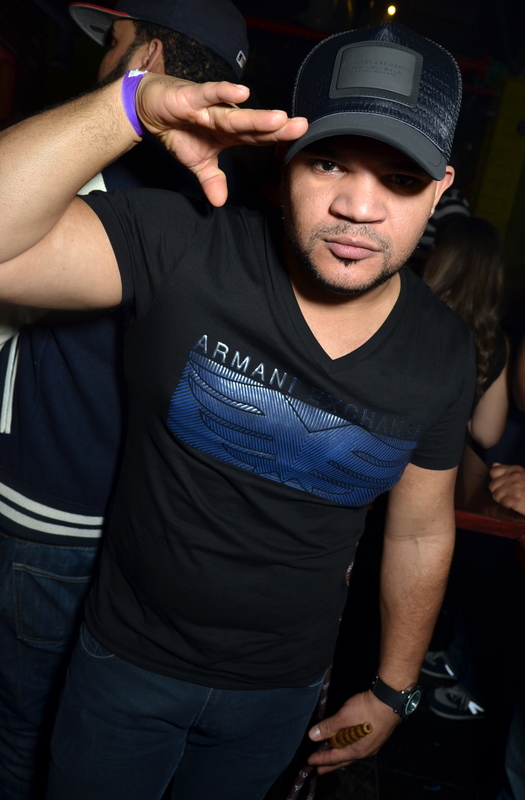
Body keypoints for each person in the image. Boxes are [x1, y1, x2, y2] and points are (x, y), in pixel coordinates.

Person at [0, 23, 475, 800]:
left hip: (278, 697)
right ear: (285, 160)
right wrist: (125, 108)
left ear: (438, 189)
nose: (357, 206)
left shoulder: (442, 353)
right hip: (125, 666)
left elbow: (420, 531)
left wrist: (392, 690)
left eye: (398, 178)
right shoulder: (188, 245)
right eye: (328, 161)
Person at [0, 1, 248, 798]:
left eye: (112, 44)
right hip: (125, 526)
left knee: (22, 732)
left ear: (149, 57)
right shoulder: (231, 200)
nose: (97, 62)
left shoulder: (110, 178)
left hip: (50, 511)